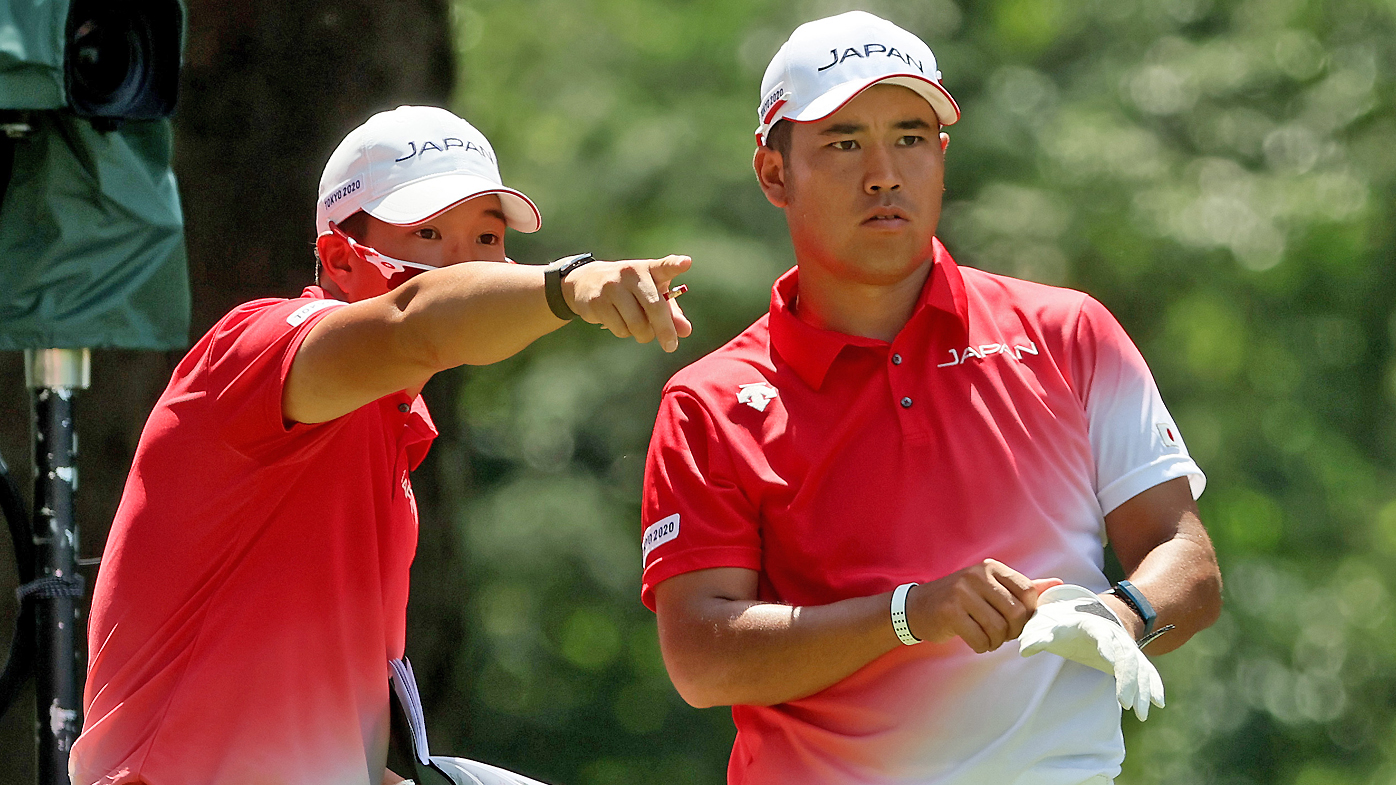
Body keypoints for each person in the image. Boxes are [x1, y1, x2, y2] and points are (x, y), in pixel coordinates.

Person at [640, 12, 1221, 785]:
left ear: (942, 158)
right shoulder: (710, 402)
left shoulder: (1070, 332)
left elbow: (1184, 553)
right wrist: (909, 613)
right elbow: (702, 660)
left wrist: (1121, 615)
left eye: (910, 136)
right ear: (774, 173)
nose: (884, 172)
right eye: (844, 142)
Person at [71, 105, 690, 785]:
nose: (468, 263)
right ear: (339, 256)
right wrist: (568, 284)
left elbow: (334, 748)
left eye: (487, 236)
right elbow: (412, 321)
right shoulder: (261, 344)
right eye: (429, 232)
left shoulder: (393, 426)